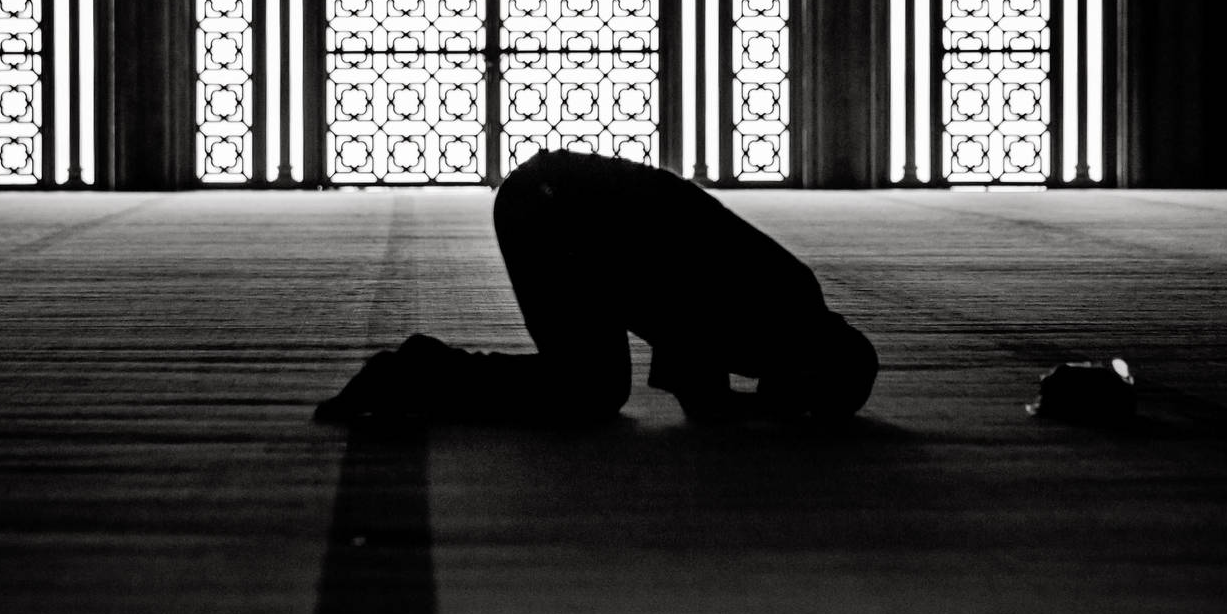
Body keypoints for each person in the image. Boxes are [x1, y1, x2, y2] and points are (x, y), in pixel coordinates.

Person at [315, 148, 878, 425]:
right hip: (552, 209)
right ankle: (416, 373)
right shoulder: (775, 305)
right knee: (587, 390)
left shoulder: (789, 308)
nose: (801, 406)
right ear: (818, 365)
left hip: (569, 214)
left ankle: (424, 373)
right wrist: (760, 416)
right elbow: (705, 406)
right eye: (813, 399)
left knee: (590, 387)